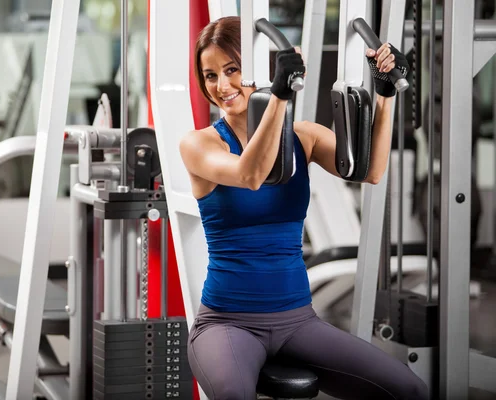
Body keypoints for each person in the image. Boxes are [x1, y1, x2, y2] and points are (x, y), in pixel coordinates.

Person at [179, 16, 429, 400]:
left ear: (258, 70)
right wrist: (278, 95)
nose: (222, 86)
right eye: (210, 75)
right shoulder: (200, 145)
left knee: (409, 389)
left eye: (232, 70)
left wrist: (384, 95)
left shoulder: (304, 136)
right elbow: (251, 174)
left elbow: (371, 171)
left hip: (298, 321)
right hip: (227, 324)